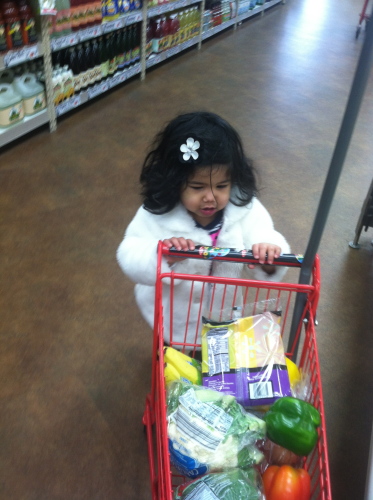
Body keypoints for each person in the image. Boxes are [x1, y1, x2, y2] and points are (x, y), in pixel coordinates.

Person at [117, 111, 290, 347]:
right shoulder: (159, 213)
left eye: (221, 186)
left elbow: (263, 233)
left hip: (224, 314)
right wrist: (164, 255)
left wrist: (269, 254)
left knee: (217, 363)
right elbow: (130, 251)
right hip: (172, 316)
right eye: (197, 187)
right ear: (175, 182)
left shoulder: (244, 210)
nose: (210, 197)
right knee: (172, 364)